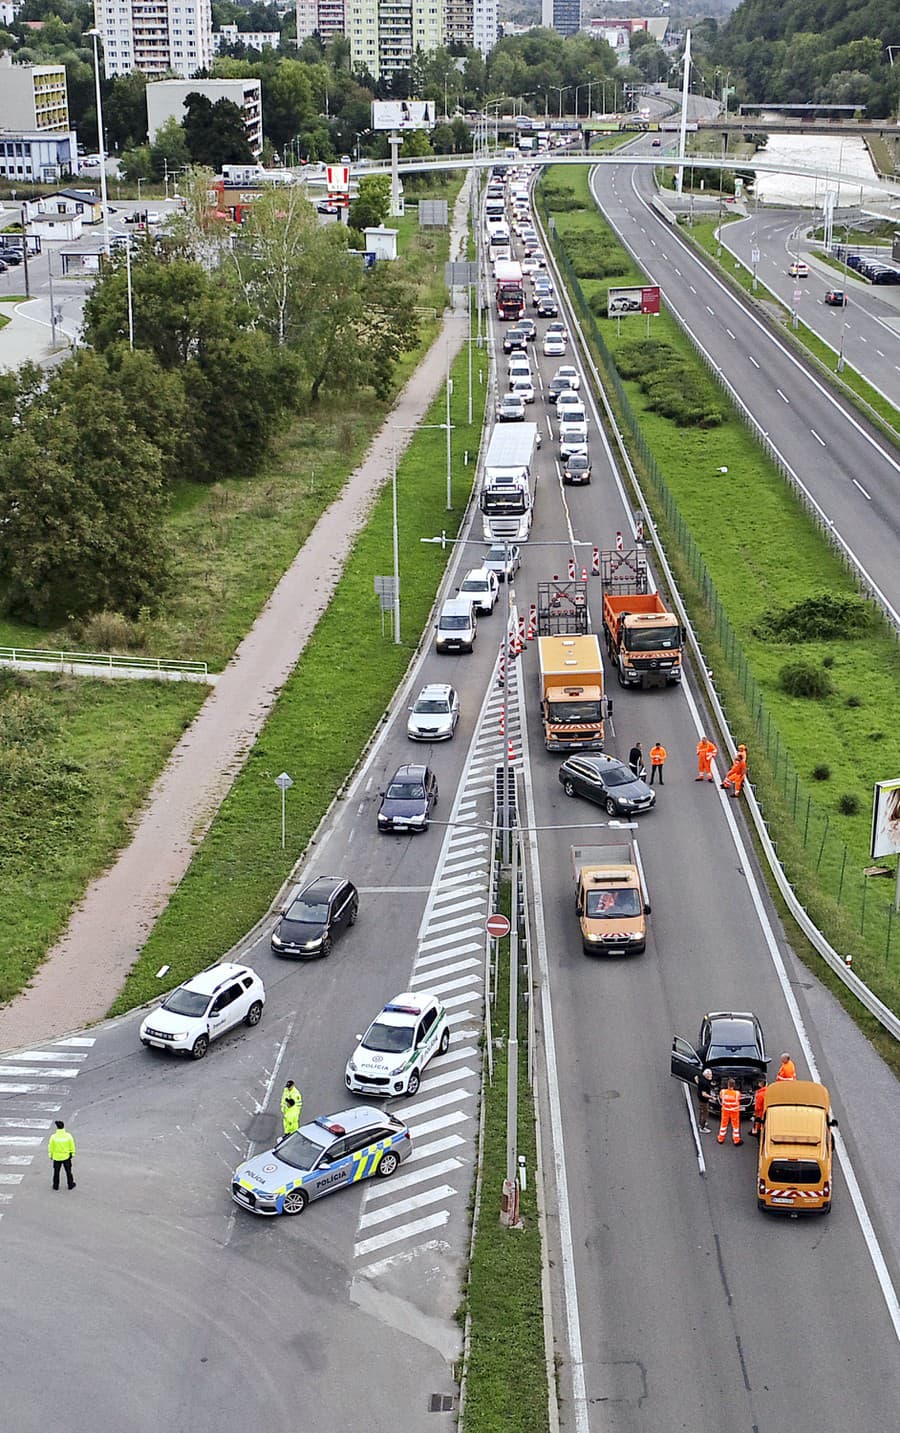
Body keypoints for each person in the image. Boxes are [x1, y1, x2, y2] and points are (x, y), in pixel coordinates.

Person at [48, 1120, 76, 1190]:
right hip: (66, 1157)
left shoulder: (53, 1137)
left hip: (57, 1157)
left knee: (56, 1172)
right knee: (68, 1172)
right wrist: (72, 1153)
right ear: (63, 1127)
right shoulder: (68, 1136)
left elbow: (50, 1147)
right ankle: (70, 1184)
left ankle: (55, 1186)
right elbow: (72, 1145)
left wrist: (50, 1155)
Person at [717, 1080, 742, 1145]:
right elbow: (739, 1099)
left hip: (725, 1110)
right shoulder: (737, 1093)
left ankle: (720, 1139)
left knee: (723, 1124)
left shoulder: (723, 1092)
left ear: (728, 1084)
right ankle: (736, 1140)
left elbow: (721, 1097)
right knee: (735, 1126)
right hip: (734, 1111)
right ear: (734, 1085)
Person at [694, 1067, 714, 1132]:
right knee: (705, 1114)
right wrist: (711, 1097)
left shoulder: (701, 1078)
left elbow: (696, 1077)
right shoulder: (705, 1083)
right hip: (703, 1100)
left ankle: (701, 1123)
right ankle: (702, 1127)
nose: (711, 1075)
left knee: (701, 1112)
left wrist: (699, 1085)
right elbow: (704, 1094)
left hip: (700, 1098)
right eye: (710, 1075)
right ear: (706, 1075)